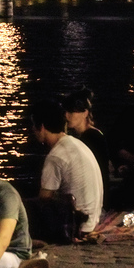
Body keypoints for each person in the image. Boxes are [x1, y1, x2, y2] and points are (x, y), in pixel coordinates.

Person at [28, 99, 104, 236]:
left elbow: (43, 200)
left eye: (34, 126)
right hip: (93, 218)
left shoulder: (55, 156)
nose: (33, 130)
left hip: (78, 224)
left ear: (42, 127)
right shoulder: (76, 144)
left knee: (27, 208)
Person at [62, 87, 111, 194]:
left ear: (85, 113)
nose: (66, 116)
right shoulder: (92, 135)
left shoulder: (91, 138)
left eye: (71, 112)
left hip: (96, 193)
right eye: (66, 112)